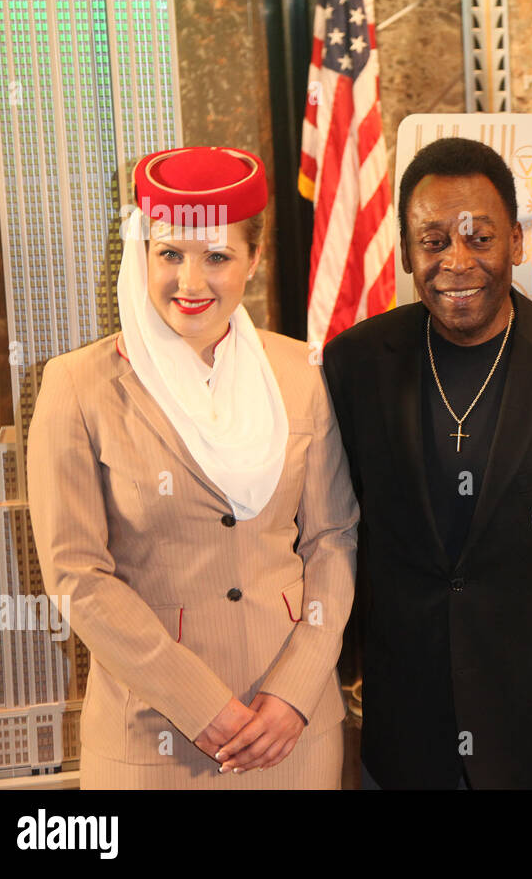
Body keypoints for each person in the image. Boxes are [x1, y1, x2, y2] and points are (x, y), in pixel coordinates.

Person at [322, 137, 532, 789]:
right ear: (407, 252)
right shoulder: (355, 364)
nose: (457, 262)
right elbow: (329, 537)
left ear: (515, 242)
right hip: (405, 734)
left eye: (479, 239)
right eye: (433, 242)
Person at [29, 146, 358, 788]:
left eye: (217, 257)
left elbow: (332, 538)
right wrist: (200, 704)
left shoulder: (302, 373)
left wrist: (294, 692)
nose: (191, 282)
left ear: (253, 260)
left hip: (291, 733)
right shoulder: (77, 386)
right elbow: (76, 574)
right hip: (150, 735)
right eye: (170, 254)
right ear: (142, 254)